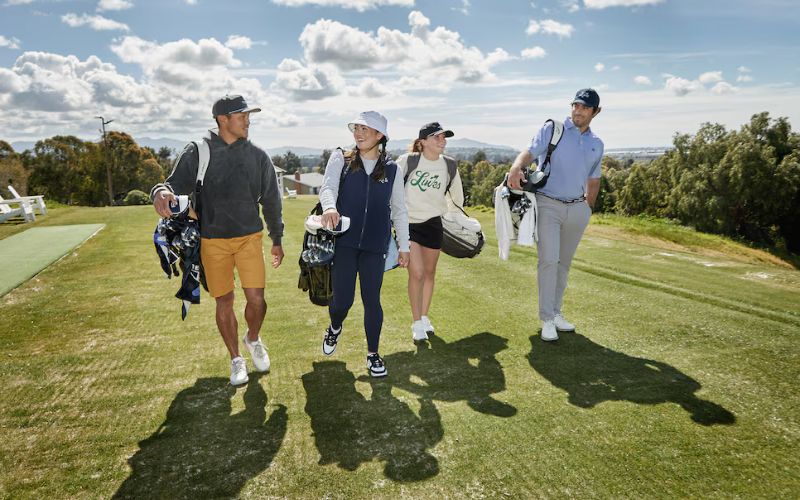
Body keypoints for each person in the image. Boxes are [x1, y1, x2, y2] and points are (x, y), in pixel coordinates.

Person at [151, 94, 284, 385]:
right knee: (224, 301)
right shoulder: (198, 152)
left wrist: (277, 237)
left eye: (248, 115)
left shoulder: (258, 156)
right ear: (223, 120)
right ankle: (236, 359)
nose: (248, 120)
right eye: (242, 115)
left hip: (250, 237)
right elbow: (171, 185)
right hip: (212, 241)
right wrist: (160, 192)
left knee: (257, 300)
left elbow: (272, 200)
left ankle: (253, 338)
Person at [318, 111, 410, 377]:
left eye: (365, 129)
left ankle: (373, 355)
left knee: (372, 300)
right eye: (356, 128)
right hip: (344, 243)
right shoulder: (341, 158)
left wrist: (404, 247)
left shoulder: (392, 169)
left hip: (375, 246)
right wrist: (330, 207)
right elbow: (327, 188)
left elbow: (399, 210)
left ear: (380, 136)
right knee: (342, 302)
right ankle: (335, 327)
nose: (358, 134)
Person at [507, 88, 603, 342]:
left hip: (577, 209)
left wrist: (587, 208)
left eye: (584, 107)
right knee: (548, 261)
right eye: (575, 105)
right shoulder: (553, 129)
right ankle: (547, 319)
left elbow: (594, 179)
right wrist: (517, 166)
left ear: (595, 111)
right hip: (547, 204)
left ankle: (557, 312)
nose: (578, 110)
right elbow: (530, 151)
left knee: (563, 264)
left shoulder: (596, 144)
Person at [395, 122, 464, 343]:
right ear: (422, 142)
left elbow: (456, 199)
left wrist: (459, 221)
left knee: (430, 273)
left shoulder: (450, 165)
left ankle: (424, 317)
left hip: (433, 223)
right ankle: (416, 323)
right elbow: (393, 192)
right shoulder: (408, 161)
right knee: (416, 273)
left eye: (444, 137)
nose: (442, 141)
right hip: (408, 224)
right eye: (437, 137)